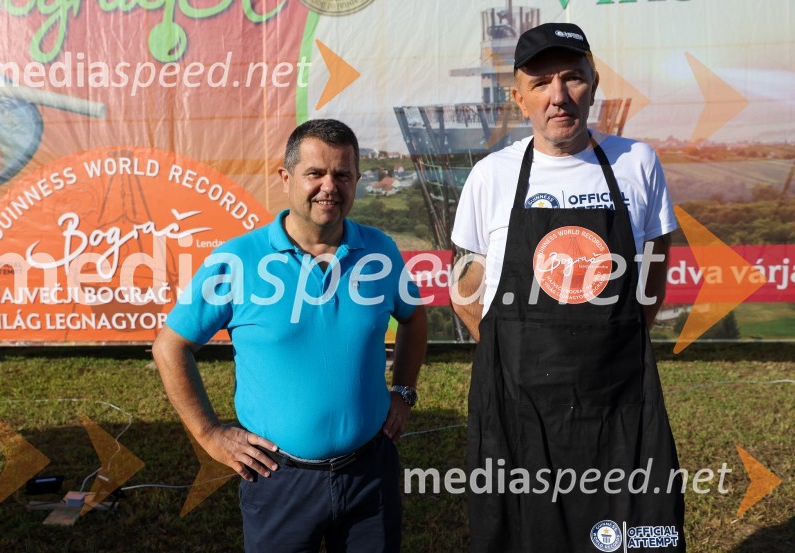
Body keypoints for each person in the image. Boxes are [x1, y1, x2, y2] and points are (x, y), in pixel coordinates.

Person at [451, 23, 685, 552]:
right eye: (541, 83)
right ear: (519, 98)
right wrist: (510, 354)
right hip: (519, 406)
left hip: (617, 401)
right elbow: (465, 287)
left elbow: (653, 269)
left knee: (633, 529)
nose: (558, 96)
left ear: (593, 85)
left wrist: (615, 338)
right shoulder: (491, 174)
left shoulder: (636, 162)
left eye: (572, 78)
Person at [153, 119, 427, 553]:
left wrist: (404, 393)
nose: (329, 187)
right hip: (278, 478)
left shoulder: (380, 251)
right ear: (286, 178)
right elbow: (171, 346)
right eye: (315, 173)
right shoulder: (239, 260)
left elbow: (413, 318)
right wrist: (208, 434)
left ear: (357, 181)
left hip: (370, 473)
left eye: (342, 174)